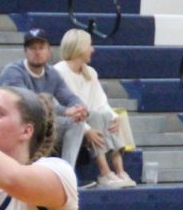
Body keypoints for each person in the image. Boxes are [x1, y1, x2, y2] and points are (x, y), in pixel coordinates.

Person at [54, 29, 136, 189]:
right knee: (96, 116)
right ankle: (104, 172)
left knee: (110, 115)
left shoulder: (90, 72)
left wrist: (114, 117)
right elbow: (61, 109)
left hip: (90, 120)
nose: (93, 49)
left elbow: (101, 102)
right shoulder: (59, 71)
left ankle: (120, 171)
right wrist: (87, 130)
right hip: (66, 124)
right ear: (79, 48)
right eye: (90, 45)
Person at [0, 28, 89, 167]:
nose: (37, 52)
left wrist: (80, 108)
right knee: (44, 114)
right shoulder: (13, 72)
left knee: (77, 122)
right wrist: (65, 111)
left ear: (49, 51)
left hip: (43, 124)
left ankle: (65, 172)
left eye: (41, 48)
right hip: (17, 124)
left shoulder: (52, 74)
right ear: (25, 52)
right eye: (32, 48)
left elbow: (69, 97)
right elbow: (29, 105)